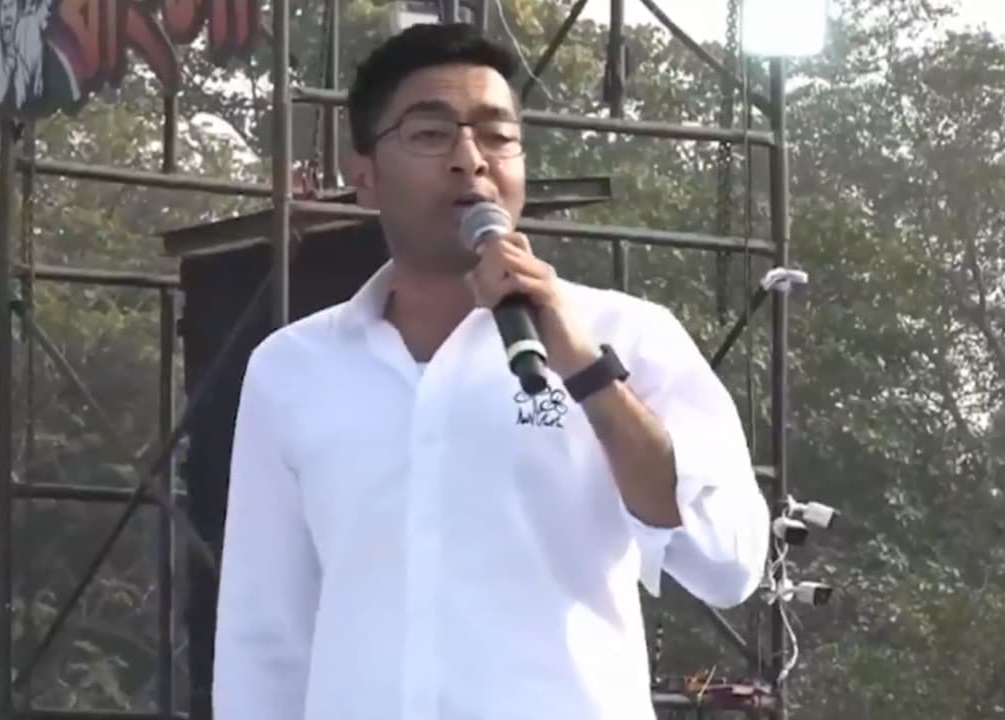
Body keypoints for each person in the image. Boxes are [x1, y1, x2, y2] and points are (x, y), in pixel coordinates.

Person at [211, 22, 771, 720]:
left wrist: (584, 369)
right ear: (365, 178)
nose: (470, 160)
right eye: (430, 133)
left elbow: (727, 563)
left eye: (498, 135)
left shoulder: (629, 335)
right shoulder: (292, 369)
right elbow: (265, 635)